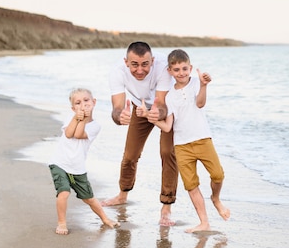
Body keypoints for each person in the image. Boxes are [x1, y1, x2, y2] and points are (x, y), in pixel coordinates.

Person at [149, 49, 230, 233]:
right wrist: (152, 119)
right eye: (176, 70)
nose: (181, 73)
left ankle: (216, 199)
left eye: (184, 68)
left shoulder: (195, 83)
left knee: (218, 175)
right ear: (170, 71)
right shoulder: (169, 96)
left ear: (190, 68)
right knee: (191, 185)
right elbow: (168, 126)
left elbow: (200, 103)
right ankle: (204, 222)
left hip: (202, 140)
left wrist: (203, 85)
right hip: (182, 146)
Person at [102, 41, 178, 226]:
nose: (140, 70)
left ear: (152, 60)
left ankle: (166, 207)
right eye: (134, 64)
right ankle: (122, 194)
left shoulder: (162, 66)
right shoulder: (117, 71)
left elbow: (161, 103)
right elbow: (117, 108)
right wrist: (121, 116)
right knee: (130, 155)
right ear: (126, 62)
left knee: (167, 152)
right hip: (139, 107)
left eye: (145, 64)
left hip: (168, 108)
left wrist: (156, 113)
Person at [49, 88, 120, 235]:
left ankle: (105, 219)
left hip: (77, 167)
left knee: (89, 198)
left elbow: (79, 134)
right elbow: (69, 134)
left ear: (94, 102)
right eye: (78, 102)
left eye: (86, 100)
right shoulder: (70, 116)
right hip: (60, 163)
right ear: (73, 108)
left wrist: (83, 119)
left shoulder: (95, 126)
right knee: (64, 192)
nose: (83, 105)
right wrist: (77, 118)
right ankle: (61, 223)